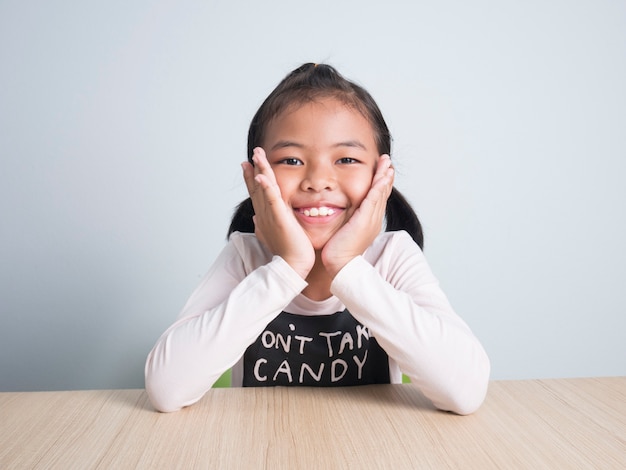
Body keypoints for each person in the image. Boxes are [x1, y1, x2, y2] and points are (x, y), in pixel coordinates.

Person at [145, 63, 490, 414]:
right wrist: (288, 267)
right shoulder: (246, 258)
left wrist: (346, 266)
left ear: (381, 177)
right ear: (255, 180)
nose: (318, 180)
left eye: (346, 158)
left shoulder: (393, 257)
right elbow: (166, 389)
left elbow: (465, 391)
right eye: (292, 159)